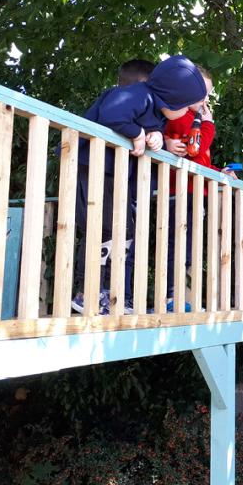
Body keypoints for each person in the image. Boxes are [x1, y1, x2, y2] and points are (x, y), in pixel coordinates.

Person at [71, 55, 208, 315]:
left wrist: (155, 134)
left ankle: (110, 294)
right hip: (97, 168)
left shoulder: (154, 108)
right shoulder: (137, 94)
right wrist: (138, 134)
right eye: (186, 106)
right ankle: (86, 292)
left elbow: (151, 125)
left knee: (124, 234)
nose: (187, 113)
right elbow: (112, 115)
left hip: (119, 175)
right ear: (173, 98)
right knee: (103, 229)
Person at [162, 66, 236, 311]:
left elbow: (199, 160)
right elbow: (194, 147)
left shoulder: (190, 118)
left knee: (190, 247)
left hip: (195, 191)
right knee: (179, 244)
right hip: (181, 192)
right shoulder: (181, 117)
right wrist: (209, 124)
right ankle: (172, 296)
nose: (204, 101)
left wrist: (218, 172)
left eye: (207, 95)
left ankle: (183, 298)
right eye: (200, 93)